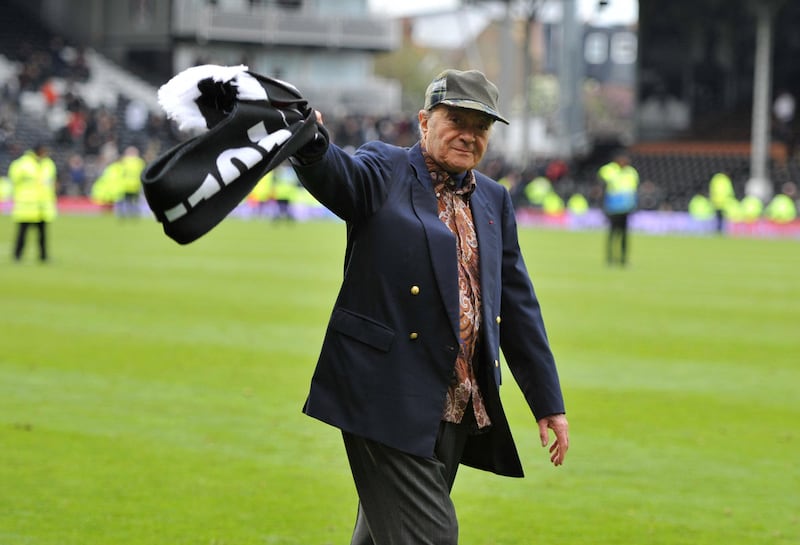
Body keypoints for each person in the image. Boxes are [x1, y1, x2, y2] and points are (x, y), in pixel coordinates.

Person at [289, 69, 569, 545]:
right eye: (455, 119)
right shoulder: (386, 167)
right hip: (385, 391)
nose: (468, 134)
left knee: (384, 536)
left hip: (457, 401)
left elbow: (517, 306)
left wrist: (547, 401)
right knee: (431, 535)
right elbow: (341, 179)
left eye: (480, 127)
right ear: (424, 121)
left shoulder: (494, 199)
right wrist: (313, 145)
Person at [8, 142, 57, 262]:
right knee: (22, 234)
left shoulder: (48, 164)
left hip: (42, 207)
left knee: (42, 235)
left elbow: (51, 182)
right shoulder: (22, 164)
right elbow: (13, 180)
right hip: (26, 206)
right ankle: (17, 256)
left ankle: (43, 257)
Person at [597, 152, 639, 266]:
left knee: (624, 235)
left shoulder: (631, 172)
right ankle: (610, 259)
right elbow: (602, 184)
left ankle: (623, 259)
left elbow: (633, 190)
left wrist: (634, 206)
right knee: (612, 234)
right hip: (613, 207)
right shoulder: (609, 170)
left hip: (626, 207)